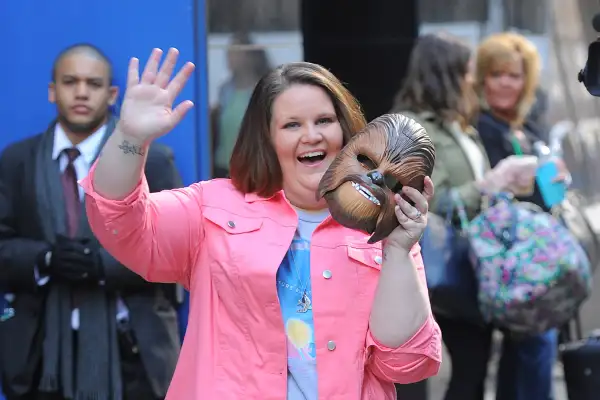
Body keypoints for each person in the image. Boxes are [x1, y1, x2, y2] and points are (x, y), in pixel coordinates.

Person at [80, 47, 442, 399]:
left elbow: (406, 364)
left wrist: (397, 248)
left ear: (348, 133)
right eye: (292, 124)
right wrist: (130, 137)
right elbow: (118, 218)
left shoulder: (385, 232)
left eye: (324, 121)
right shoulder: (213, 206)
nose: (311, 135)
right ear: (267, 139)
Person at [0, 43, 182, 400]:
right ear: (53, 91)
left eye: (93, 84)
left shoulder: (153, 160)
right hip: (39, 358)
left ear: (112, 94)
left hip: (132, 354)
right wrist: (45, 260)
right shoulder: (16, 161)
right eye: (70, 82)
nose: (81, 92)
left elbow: (173, 249)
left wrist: (101, 265)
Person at [390, 32, 544, 400]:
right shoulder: (411, 126)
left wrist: (509, 185)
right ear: (446, 73)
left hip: (474, 264)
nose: (473, 80)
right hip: (438, 267)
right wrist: (492, 182)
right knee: (462, 367)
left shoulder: (460, 124)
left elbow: (474, 194)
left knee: (474, 368)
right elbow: (428, 199)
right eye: (468, 71)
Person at [474, 32, 571, 400]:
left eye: (513, 75)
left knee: (525, 351)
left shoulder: (529, 126)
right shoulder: (480, 127)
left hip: (538, 253)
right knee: (536, 343)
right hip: (508, 258)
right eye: (497, 74)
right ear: (483, 78)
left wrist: (559, 176)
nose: (505, 83)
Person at [210, 32, 271, 178]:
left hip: (253, 167)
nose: (229, 57)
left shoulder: (263, 89)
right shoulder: (225, 89)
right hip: (224, 167)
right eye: (228, 52)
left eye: (235, 52)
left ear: (249, 57)